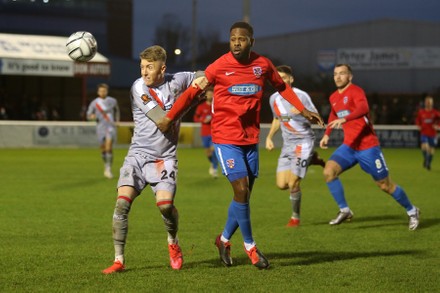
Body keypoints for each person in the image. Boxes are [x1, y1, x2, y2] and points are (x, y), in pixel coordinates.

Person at [157, 22, 324, 269]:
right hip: (225, 138)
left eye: (242, 39)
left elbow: (282, 87)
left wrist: (303, 109)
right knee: (242, 190)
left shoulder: (263, 65)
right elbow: (192, 93)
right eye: (233, 38)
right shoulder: (219, 66)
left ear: (251, 42)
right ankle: (251, 247)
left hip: (250, 139)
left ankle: (223, 240)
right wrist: (169, 117)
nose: (236, 42)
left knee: (243, 197)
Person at [101, 45, 206, 274]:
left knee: (166, 207)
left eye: (150, 67)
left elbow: (202, 76)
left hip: (164, 158)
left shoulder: (177, 80)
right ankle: (119, 260)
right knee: (121, 204)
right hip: (138, 156)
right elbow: (164, 122)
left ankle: (173, 241)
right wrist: (194, 95)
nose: (144, 72)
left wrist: (203, 81)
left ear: (163, 68)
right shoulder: (139, 88)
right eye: (142, 67)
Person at [319, 63, 420, 230]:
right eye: (335, 74)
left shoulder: (356, 91)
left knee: (385, 185)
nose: (338, 77)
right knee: (329, 172)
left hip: (368, 147)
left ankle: (412, 210)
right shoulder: (334, 97)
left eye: (342, 73)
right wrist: (327, 134)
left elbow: (363, 108)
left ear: (349, 76)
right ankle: (345, 210)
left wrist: (345, 119)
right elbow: (333, 113)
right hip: (349, 147)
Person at [265, 65, 325, 227]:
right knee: (281, 185)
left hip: (303, 142)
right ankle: (313, 158)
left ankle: (295, 218)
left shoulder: (301, 96)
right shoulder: (273, 99)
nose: (281, 81)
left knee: (293, 183)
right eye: (278, 79)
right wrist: (269, 137)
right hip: (287, 145)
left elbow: (317, 117)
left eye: (284, 78)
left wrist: (303, 111)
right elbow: (278, 119)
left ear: (291, 79)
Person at [87, 83, 120, 179]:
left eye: (104, 90)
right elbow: (88, 115)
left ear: (107, 91)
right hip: (100, 127)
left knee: (109, 147)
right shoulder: (94, 103)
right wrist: (91, 117)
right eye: (101, 91)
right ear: (98, 92)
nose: (102, 92)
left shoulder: (113, 101)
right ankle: (106, 164)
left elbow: (117, 111)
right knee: (103, 149)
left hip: (110, 126)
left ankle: (108, 168)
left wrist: (117, 121)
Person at [193, 86, 219, 178]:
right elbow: (196, 118)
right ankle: (213, 163)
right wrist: (203, 120)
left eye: (211, 94)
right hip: (205, 132)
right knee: (208, 152)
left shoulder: (217, 106)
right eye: (208, 94)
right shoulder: (201, 107)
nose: (210, 95)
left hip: (215, 132)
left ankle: (215, 168)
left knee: (213, 150)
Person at [415, 95, 440, 170]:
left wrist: (438, 126)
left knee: (431, 149)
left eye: (430, 102)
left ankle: (428, 163)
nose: (428, 103)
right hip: (424, 132)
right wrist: (418, 126)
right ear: (425, 103)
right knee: (424, 146)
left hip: (432, 133)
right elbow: (417, 120)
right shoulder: (421, 112)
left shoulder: (435, 112)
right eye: (427, 102)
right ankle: (426, 159)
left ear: (432, 103)